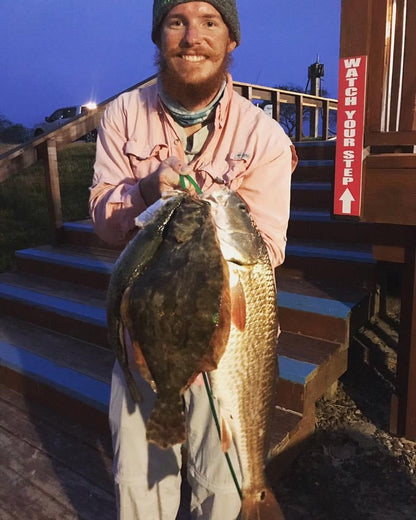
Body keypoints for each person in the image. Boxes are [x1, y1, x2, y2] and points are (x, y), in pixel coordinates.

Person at [89, 1, 298, 518]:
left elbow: (267, 249)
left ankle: (249, 494)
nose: (192, 37)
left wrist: (214, 218)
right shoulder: (121, 115)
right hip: (146, 328)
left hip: (225, 335)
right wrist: (141, 190)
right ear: (159, 37)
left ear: (232, 42)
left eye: (210, 23)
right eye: (177, 22)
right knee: (139, 478)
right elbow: (104, 217)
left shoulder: (265, 138)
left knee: (221, 478)